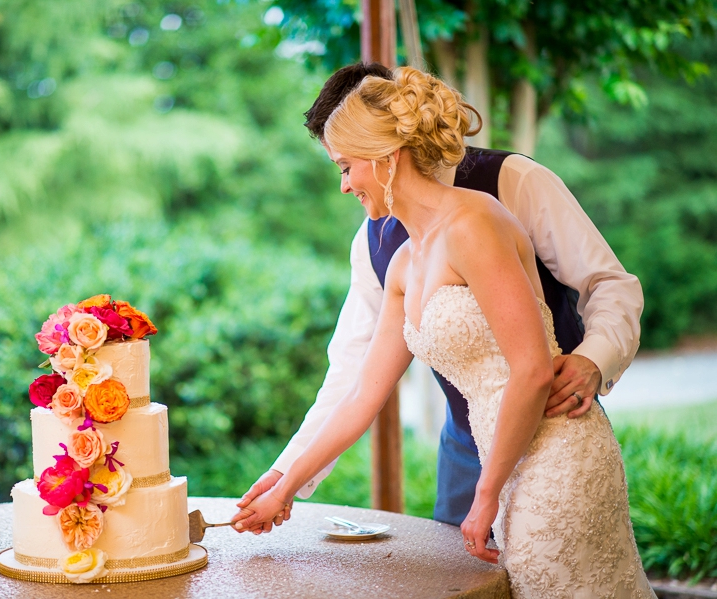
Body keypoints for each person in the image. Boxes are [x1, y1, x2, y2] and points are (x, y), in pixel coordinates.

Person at [232, 67, 655, 598]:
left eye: (345, 166)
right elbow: (359, 387)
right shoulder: (397, 257)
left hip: (554, 447)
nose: (342, 185)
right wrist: (285, 485)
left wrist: (594, 357)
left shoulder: (494, 201)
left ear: (385, 154)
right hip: (470, 443)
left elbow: (537, 360)